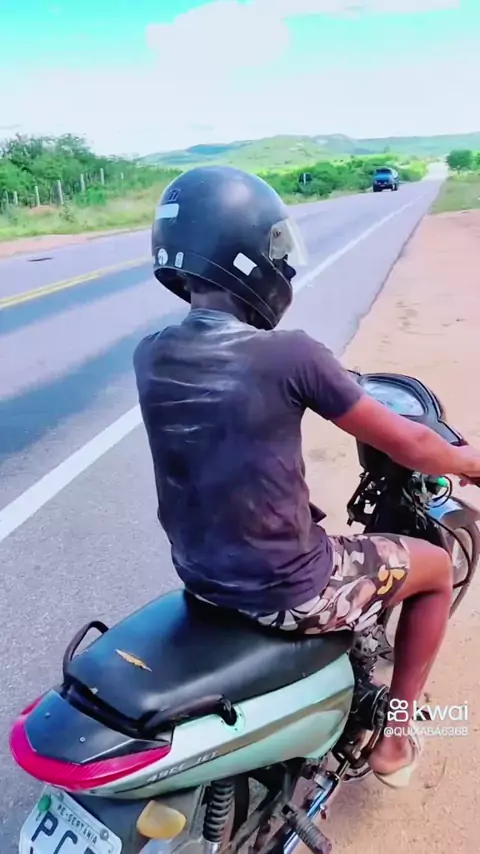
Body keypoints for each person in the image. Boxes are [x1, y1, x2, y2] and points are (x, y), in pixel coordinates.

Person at [134, 165, 480, 789]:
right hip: (288, 588)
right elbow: (413, 444)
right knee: (432, 567)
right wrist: (471, 463)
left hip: (201, 575)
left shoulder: (152, 351)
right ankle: (394, 739)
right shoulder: (290, 354)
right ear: (247, 255)